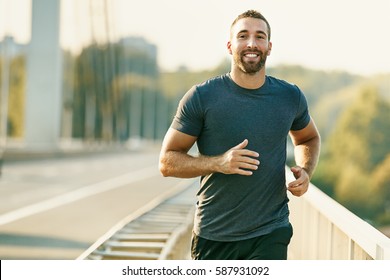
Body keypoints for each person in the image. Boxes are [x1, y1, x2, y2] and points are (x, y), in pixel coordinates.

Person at [159, 10, 321, 260]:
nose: (251, 43)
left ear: (269, 46)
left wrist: (306, 171)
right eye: (243, 36)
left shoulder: (290, 96)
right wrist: (218, 163)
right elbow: (167, 161)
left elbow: (308, 138)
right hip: (215, 234)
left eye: (260, 36)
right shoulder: (202, 97)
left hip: (271, 231)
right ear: (230, 45)